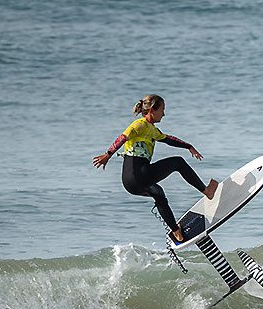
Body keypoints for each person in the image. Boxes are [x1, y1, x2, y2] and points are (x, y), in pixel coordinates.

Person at [93, 94, 217, 243]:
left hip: (129, 183)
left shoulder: (151, 129)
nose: (164, 114)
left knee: (158, 193)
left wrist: (188, 146)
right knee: (178, 162)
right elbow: (123, 137)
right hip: (140, 175)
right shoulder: (139, 125)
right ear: (152, 110)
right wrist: (108, 154)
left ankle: (176, 231)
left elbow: (167, 139)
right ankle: (207, 191)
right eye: (162, 110)